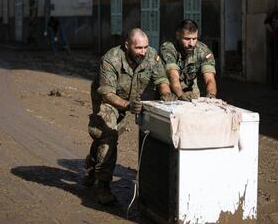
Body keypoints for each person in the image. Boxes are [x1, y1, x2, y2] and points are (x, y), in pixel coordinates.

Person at [84, 28, 176, 205]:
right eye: (138, 48)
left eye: (145, 47)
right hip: (107, 99)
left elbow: (161, 80)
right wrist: (128, 105)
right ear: (127, 45)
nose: (143, 52)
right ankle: (103, 185)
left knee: (112, 133)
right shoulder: (110, 60)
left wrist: (165, 95)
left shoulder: (151, 56)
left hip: (130, 100)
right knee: (108, 135)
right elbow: (107, 94)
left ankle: (92, 162)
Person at [160, 19, 217, 101]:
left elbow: (210, 79)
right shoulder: (168, 48)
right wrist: (181, 94)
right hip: (169, 93)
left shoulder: (203, 51)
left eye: (194, 39)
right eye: (187, 39)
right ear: (178, 35)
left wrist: (211, 96)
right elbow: (173, 75)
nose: (191, 44)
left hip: (192, 94)